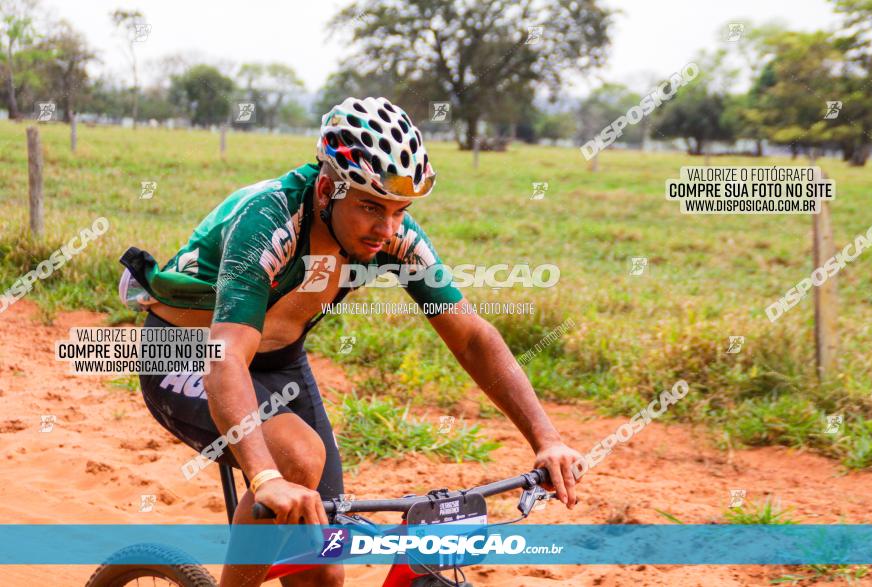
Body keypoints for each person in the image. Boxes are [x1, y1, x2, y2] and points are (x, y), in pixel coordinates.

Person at [118, 97, 583, 587]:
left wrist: (547, 440)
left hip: (278, 361)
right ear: (326, 189)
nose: (386, 229)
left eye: (399, 210)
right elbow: (228, 358)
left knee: (322, 574)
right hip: (191, 352)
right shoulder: (268, 221)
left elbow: (471, 338)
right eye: (369, 207)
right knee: (297, 456)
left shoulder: (393, 238)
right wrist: (266, 478)